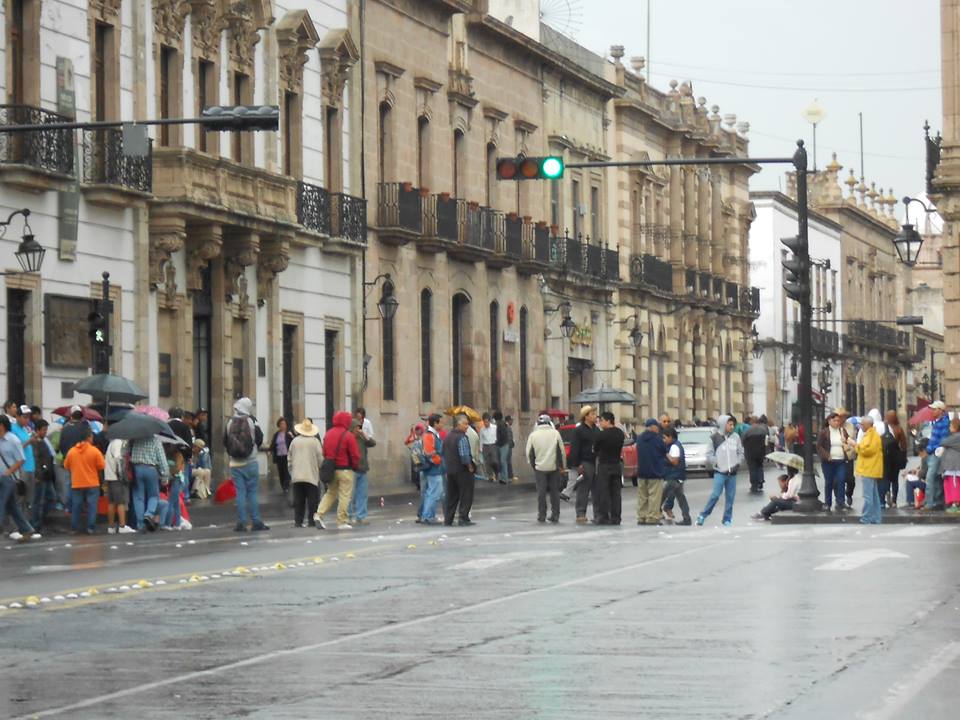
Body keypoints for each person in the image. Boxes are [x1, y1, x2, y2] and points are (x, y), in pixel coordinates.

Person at [224, 397, 268, 533]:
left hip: (235, 463)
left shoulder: (229, 422)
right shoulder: (252, 421)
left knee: (240, 493)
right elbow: (259, 439)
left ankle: (241, 523)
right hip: (251, 461)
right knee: (252, 493)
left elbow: (225, 441)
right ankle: (256, 521)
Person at [314, 410, 360, 530]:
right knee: (344, 495)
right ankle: (342, 521)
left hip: (332, 469)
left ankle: (319, 514)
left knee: (330, 493)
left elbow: (324, 452)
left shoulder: (328, 434)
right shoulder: (348, 436)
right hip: (345, 470)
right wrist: (355, 466)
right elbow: (355, 455)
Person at [697, 414, 744, 527]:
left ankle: (727, 519)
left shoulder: (736, 437)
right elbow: (709, 454)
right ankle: (703, 515)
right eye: (730, 424)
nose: (732, 427)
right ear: (723, 424)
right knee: (715, 495)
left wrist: (738, 462)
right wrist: (716, 462)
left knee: (730, 498)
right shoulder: (714, 437)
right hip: (720, 472)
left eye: (733, 424)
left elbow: (740, 452)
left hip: (732, 472)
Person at [0, 415, 40, 541]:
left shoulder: (13, 440)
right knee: (12, 506)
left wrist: (9, 471)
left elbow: (21, 459)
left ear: (2, 425)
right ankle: (27, 529)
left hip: (9, 478)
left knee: (1, 502)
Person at [63, 425, 105, 535]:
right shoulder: (95, 451)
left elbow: (66, 466)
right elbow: (101, 466)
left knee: (76, 506)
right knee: (92, 506)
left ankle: (74, 528)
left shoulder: (72, 451)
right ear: (89, 437)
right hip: (92, 483)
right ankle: (91, 528)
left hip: (77, 483)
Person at [525, 413, 565, 523]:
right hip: (554, 467)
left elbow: (529, 452)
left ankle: (541, 515)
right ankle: (555, 514)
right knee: (554, 492)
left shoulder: (533, 435)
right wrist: (562, 466)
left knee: (541, 493)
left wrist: (533, 465)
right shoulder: (556, 433)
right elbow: (561, 451)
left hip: (539, 468)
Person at [288, 418, 324, 527]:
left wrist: (292, 472)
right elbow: (320, 458)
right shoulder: (315, 442)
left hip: (297, 475)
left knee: (299, 500)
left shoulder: (294, 441)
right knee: (312, 500)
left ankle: (298, 521)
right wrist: (319, 469)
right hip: (311, 475)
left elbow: (289, 458)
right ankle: (311, 520)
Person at [129, 431, 167, 531]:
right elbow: (162, 459)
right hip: (151, 469)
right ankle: (149, 514)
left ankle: (140, 524)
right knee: (154, 495)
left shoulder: (136, 439)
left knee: (138, 497)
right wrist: (165, 476)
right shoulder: (156, 440)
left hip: (137, 468)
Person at [569, 406, 600, 524]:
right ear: (586, 416)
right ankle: (581, 513)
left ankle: (598, 514)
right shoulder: (579, 430)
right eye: (592, 414)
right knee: (583, 490)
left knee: (597, 490)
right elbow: (574, 448)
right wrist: (577, 464)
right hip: (585, 462)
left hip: (596, 462)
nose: (595, 416)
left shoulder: (597, 430)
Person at [442, 414, 476, 526]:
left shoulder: (447, 436)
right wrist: (470, 467)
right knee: (466, 495)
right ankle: (463, 518)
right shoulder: (461, 437)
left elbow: (444, 453)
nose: (467, 426)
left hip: (450, 470)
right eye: (465, 424)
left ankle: (448, 519)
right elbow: (464, 456)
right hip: (462, 471)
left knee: (451, 496)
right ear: (459, 424)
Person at [593, 411, 624, 525]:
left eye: (601, 421)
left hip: (604, 465)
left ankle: (603, 516)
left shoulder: (602, 435)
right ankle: (616, 517)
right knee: (616, 493)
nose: (600, 423)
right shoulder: (620, 433)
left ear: (607, 421)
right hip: (616, 464)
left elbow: (595, 448)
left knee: (604, 492)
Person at [817, 412, 851, 512]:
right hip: (829, 461)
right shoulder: (824, 432)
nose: (836, 422)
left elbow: (848, 441)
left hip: (840, 460)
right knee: (829, 482)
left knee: (841, 480)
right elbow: (819, 446)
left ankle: (840, 502)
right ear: (829, 421)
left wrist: (846, 441)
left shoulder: (842, 431)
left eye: (838, 421)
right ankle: (828, 503)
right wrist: (827, 455)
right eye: (834, 420)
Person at [635, 418, 666, 526]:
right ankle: (652, 517)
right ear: (653, 427)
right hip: (655, 471)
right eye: (657, 426)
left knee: (642, 496)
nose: (658, 429)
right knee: (654, 496)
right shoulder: (657, 439)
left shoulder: (639, 438)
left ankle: (641, 516)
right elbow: (663, 451)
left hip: (642, 471)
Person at [852, 414, 883, 524]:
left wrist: (854, 445)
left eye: (862, 424)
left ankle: (866, 517)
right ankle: (876, 517)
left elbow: (866, 451)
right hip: (870, 468)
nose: (860, 426)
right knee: (874, 496)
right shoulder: (870, 435)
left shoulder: (872, 436)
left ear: (868, 425)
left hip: (869, 469)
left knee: (868, 496)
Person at [347, 416, 377, 525]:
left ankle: (361, 516)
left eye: (359, 427)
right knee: (350, 495)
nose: (358, 429)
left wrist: (364, 435)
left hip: (363, 469)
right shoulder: (348, 438)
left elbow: (373, 443)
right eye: (356, 427)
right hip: (352, 469)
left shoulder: (361, 438)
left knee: (362, 494)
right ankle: (348, 516)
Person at [103, 435, 135, 534]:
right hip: (116, 477)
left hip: (109, 476)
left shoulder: (111, 443)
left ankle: (111, 527)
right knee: (121, 502)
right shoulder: (118, 443)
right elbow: (118, 458)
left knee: (111, 502)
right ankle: (122, 526)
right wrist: (122, 475)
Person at [29, 420, 57, 532]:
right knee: (38, 501)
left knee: (52, 498)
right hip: (40, 476)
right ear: (37, 430)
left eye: (46, 429)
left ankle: (37, 520)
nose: (45, 432)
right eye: (44, 430)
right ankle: (35, 524)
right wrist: (38, 475)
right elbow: (35, 460)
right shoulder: (35, 442)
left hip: (47, 475)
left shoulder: (44, 441)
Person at [922, 400, 950, 511]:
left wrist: (929, 448)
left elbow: (942, 441)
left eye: (934, 409)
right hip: (932, 452)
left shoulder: (944, 423)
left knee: (930, 478)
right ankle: (938, 501)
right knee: (937, 478)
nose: (932, 411)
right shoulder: (937, 422)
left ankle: (929, 503)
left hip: (936, 453)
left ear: (940, 410)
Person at [418, 414, 445, 525]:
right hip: (434, 469)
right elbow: (430, 453)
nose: (442, 424)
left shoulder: (432, 434)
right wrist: (438, 460)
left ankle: (428, 515)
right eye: (440, 422)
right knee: (434, 492)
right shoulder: (430, 435)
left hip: (434, 469)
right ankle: (428, 516)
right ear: (435, 423)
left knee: (431, 492)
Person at [661, 426, 692, 525]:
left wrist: (665, 454)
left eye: (665, 437)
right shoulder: (674, 445)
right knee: (681, 498)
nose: (663, 440)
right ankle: (687, 518)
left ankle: (653, 514)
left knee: (662, 496)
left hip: (674, 476)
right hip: (676, 476)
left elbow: (674, 462)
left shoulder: (674, 447)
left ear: (671, 437)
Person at [879, 410, 908, 508]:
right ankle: (894, 500)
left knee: (885, 478)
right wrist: (903, 456)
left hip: (884, 458)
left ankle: (886, 492)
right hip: (895, 458)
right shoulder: (899, 429)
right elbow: (904, 445)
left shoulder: (882, 428)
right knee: (895, 479)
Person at [936, 418, 960, 513]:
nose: (949, 428)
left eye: (950, 426)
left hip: (954, 467)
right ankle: (954, 503)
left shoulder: (956, 437)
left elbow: (943, 442)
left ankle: (956, 504)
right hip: (952, 467)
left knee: (954, 485)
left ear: (955, 427)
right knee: (950, 484)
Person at [742, 416, 769, 494]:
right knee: (760, 466)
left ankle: (754, 484)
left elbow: (743, 440)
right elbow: (766, 440)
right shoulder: (763, 430)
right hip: (761, 451)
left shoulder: (748, 430)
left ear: (751, 422)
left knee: (752, 468)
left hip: (750, 452)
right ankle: (760, 481)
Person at [268, 417, 293, 495]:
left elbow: (294, 442)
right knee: (281, 472)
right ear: (279, 425)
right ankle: (283, 486)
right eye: (281, 424)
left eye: (284, 424)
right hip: (279, 455)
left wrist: (292, 436)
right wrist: (270, 451)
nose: (283, 425)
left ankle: (286, 486)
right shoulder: (276, 434)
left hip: (286, 455)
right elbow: (273, 444)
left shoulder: (289, 433)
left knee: (286, 471)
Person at [902, 437, 929, 508]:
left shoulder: (925, 458)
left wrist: (915, 473)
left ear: (923, 450)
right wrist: (912, 471)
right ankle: (911, 502)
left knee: (909, 481)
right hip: (928, 482)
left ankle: (910, 502)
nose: (919, 454)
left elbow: (923, 474)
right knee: (909, 477)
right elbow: (919, 468)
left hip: (928, 484)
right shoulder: (928, 457)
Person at [479, 412, 499, 482]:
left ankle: (496, 472)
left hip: (493, 445)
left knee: (494, 461)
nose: (485, 423)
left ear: (489, 421)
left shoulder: (495, 427)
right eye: (484, 422)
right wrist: (481, 449)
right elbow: (481, 439)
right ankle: (490, 476)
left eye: (487, 422)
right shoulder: (482, 430)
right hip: (485, 446)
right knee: (487, 462)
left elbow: (497, 436)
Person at [495, 411, 511, 484]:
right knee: (501, 461)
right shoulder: (502, 424)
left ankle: (505, 478)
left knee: (502, 461)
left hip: (503, 444)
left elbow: (503, 436)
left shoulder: (501, 424)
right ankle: (502, 477)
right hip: (502, 444)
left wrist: (498, 442)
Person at [504, 415, 517, 482]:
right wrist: (511, 444)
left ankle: (509, 475)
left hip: (508, 446)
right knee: (508, 461)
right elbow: (509, 438)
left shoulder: (507, 427)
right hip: (508, 447)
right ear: (508, 420)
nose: (512, 421)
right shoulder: (507, 427)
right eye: (511, 420)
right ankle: (510, 476)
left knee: (507, 461)